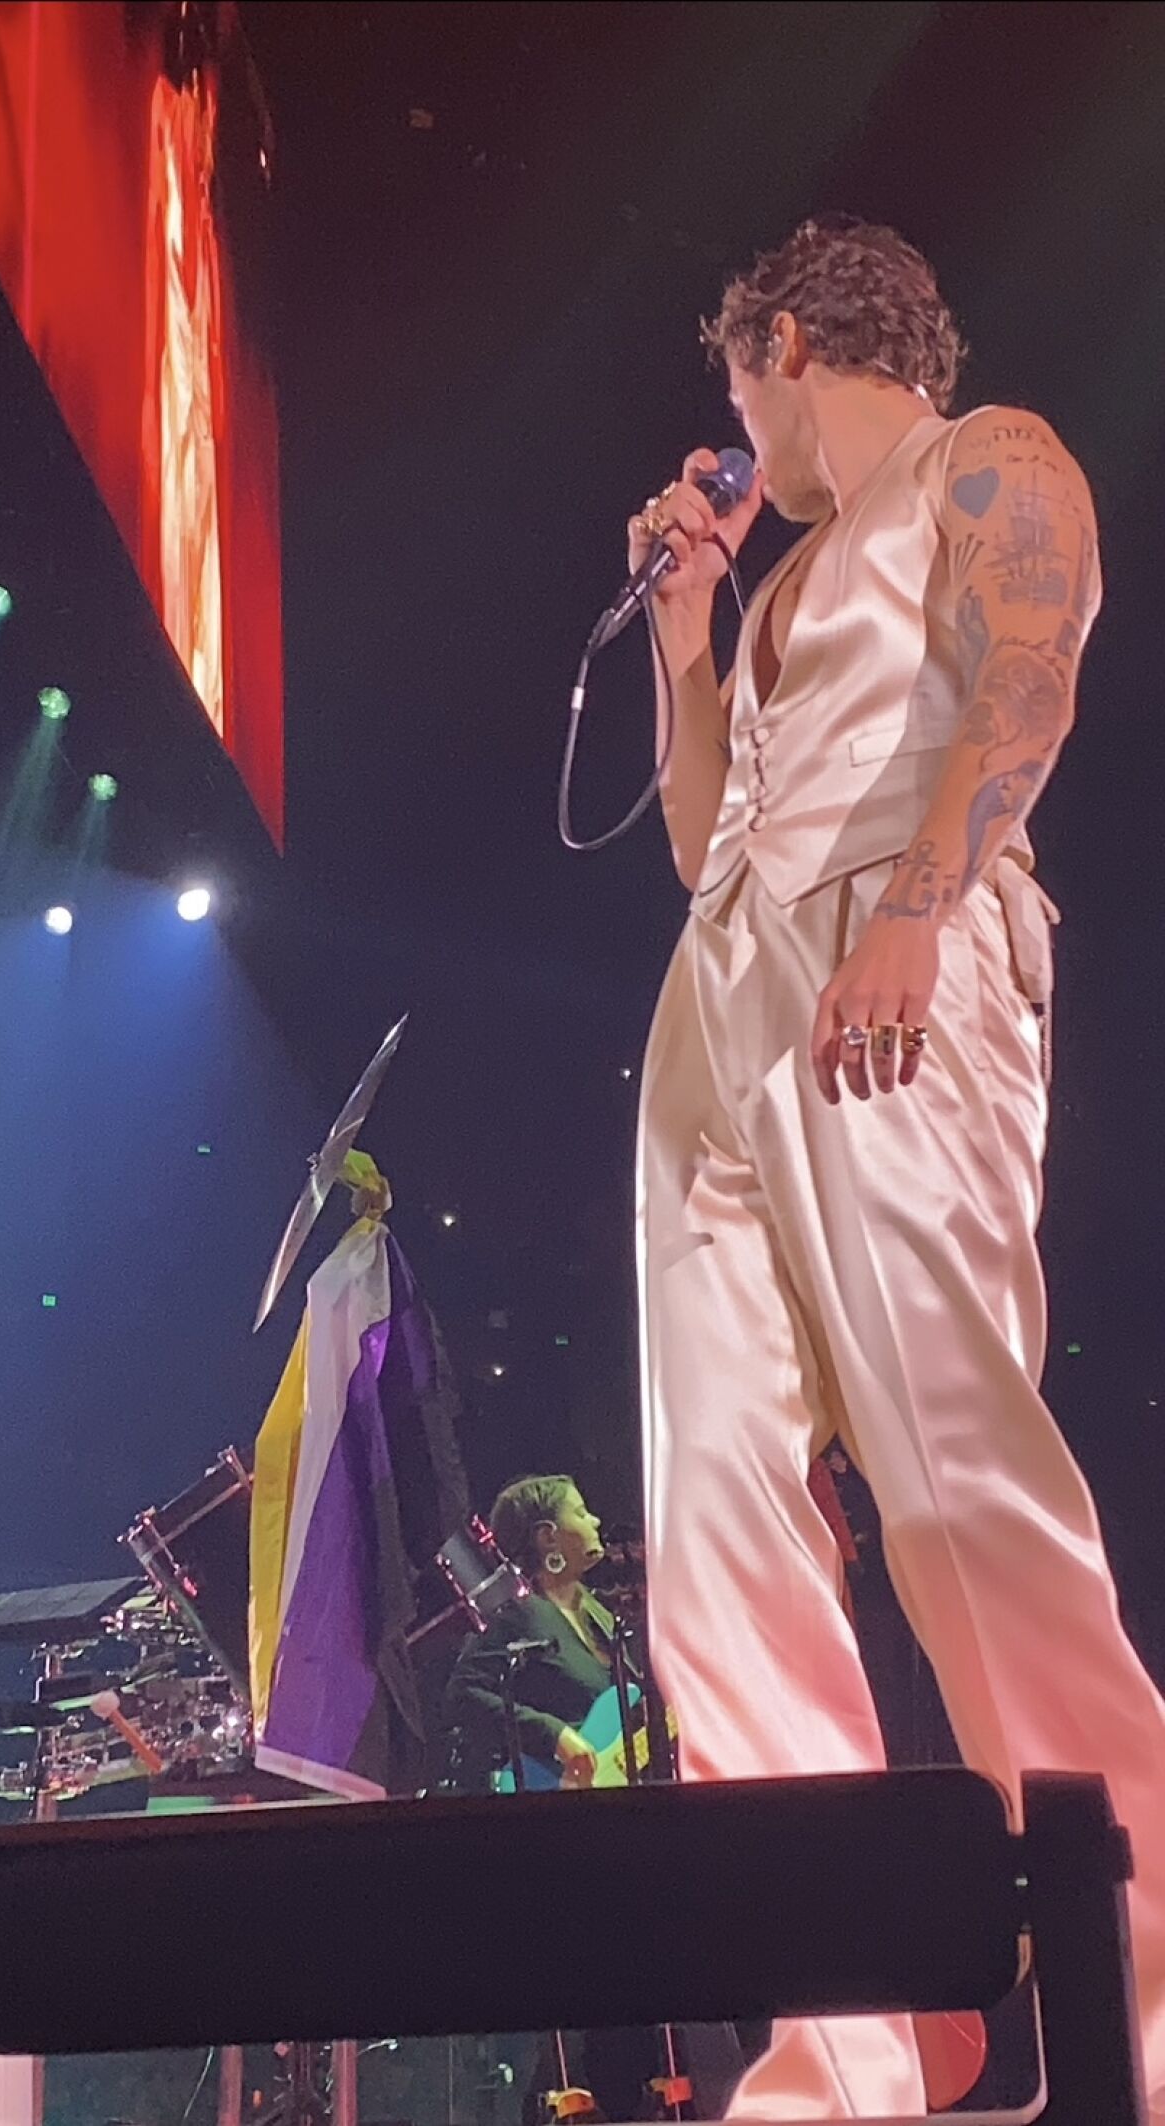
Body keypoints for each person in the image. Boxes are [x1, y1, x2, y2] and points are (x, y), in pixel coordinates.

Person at [632, 215, 1165, 2119]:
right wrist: (694, 644)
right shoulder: (772, 588)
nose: (739, 440)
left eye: (737, 396)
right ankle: (846, 2035)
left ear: (778, 342)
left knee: (953, 1481)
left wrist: (922, 906)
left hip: (893, 958)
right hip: (724, 1003)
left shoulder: (990, 457)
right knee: (714, 1514)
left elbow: (1028, 679)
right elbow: (707, 836)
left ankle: (1156, 1990)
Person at [447, 1474, 613, 1791]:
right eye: (580, 1513)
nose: (595, 1520)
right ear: (547, 1537)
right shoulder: (520, 1615)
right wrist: (554, 1735)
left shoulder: (598, 1614)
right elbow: (463, 1694)